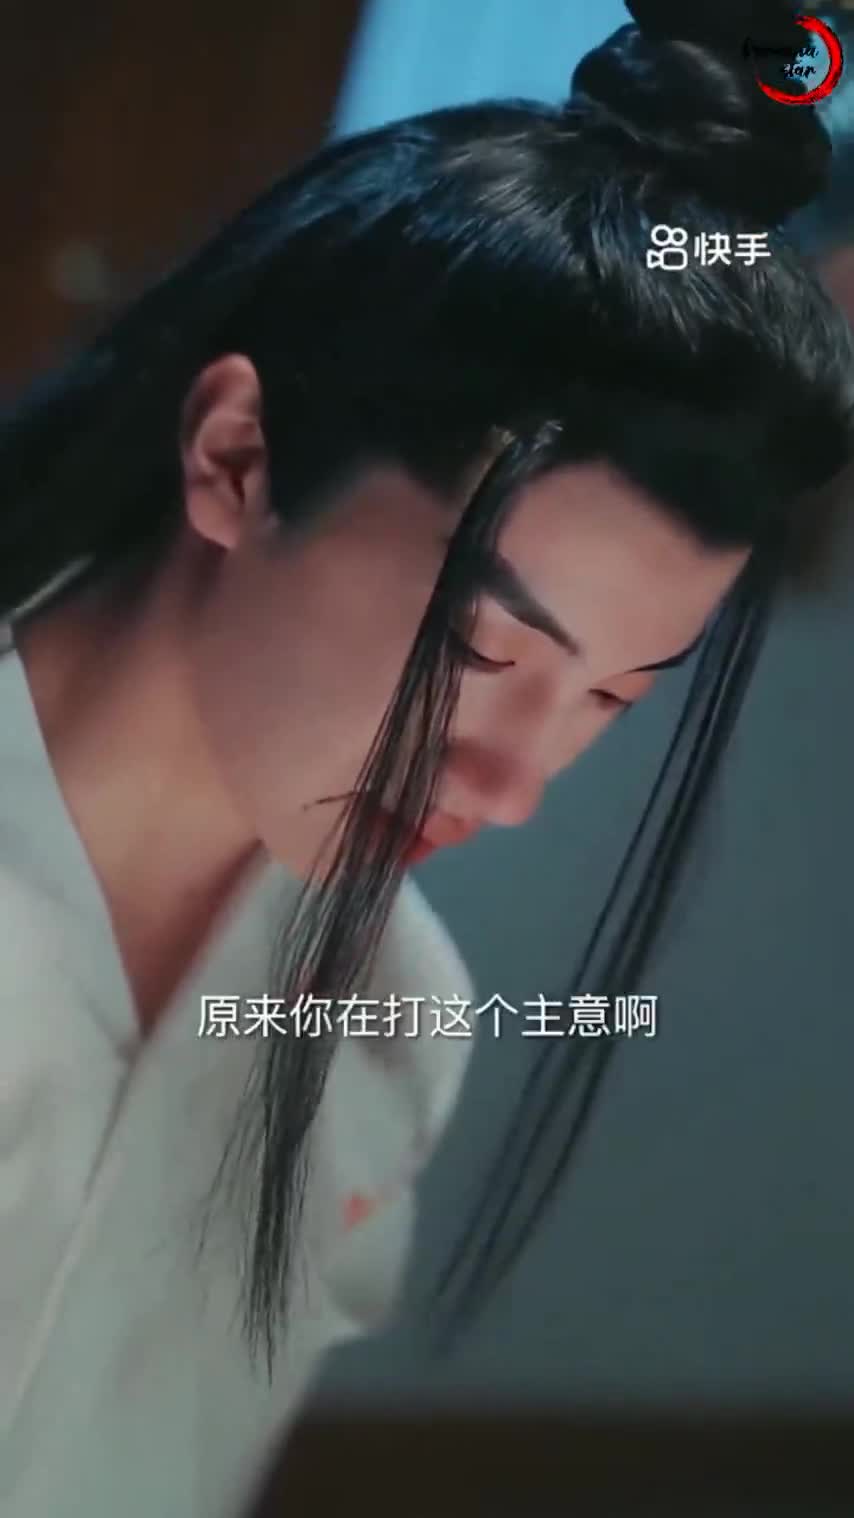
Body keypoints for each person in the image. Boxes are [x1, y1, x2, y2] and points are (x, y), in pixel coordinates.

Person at [1, 2, 852, 1516]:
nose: (515, 788)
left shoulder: (392, 1024)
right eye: (482, 649)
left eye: (612, 697)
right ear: (238, 456)